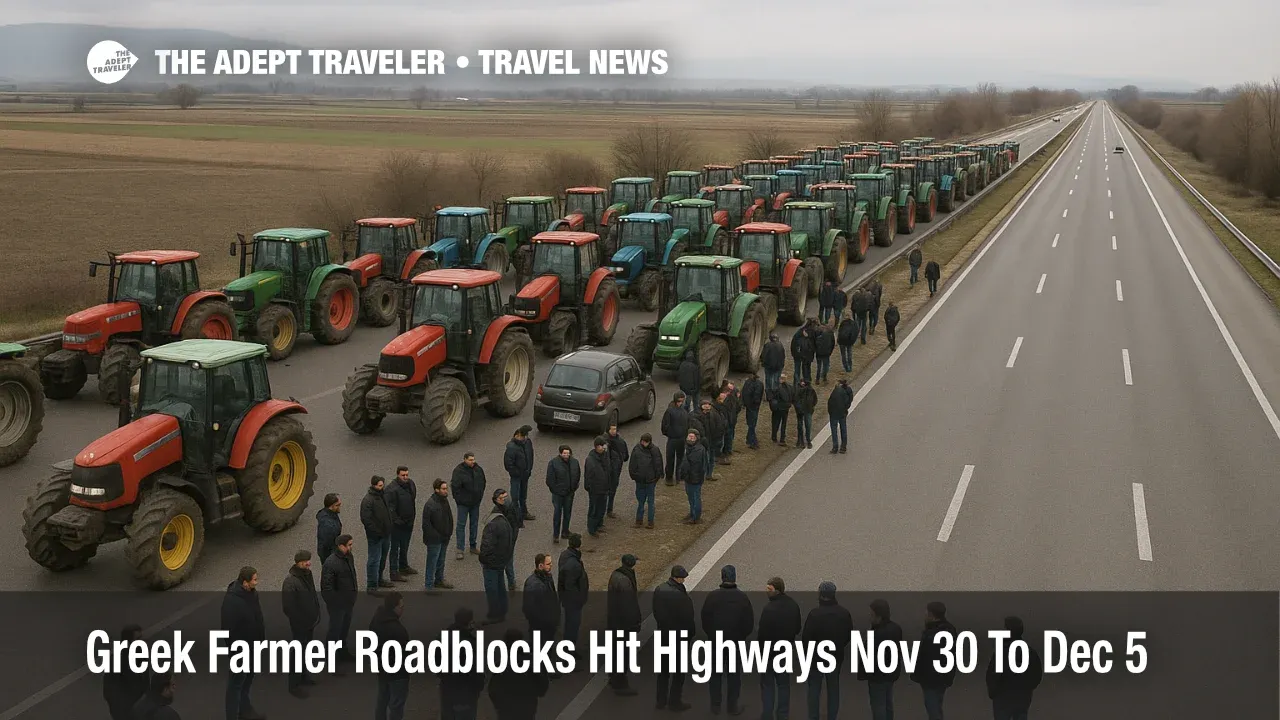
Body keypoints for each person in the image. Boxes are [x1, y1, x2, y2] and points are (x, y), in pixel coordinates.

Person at [701, 565, 754, 716]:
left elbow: (705, 619)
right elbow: (748, 622)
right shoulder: (742, 597)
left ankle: (715, 705)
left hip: (716, 641)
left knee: (716, 674)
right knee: (734, 675)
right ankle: (732, 706)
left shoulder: (712, 596)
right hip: (735, 643)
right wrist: (742, 636)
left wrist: (711, 635)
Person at [803, 581, 854, 720]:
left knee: (814, 690)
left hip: (815, 658)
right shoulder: (844, 613)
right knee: (833, 689)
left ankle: (813, 717)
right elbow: (848, 635)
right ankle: (832, 717)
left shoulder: (814, 614)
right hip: (835, 657)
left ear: (820, 594)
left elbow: (806, 638)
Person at [221, 567, 266, 720]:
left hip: (254, 648)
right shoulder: (232, 601)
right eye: (254, 579)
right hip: (240, 651)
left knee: (247, 681)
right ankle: (232, 716)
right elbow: (228, 630)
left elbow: (257, 618)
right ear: (245, 582)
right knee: (236, 684)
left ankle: (245, 710)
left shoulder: (252, 594)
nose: (257, 582)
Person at [652, 566, 695, 712]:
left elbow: (656, 611)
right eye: (682, 578)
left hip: (663, 636)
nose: (683, 580)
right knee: (678, 673)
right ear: (677, 578)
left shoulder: (659, 589)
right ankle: (674, 702)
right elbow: (688, 616)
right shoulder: (680, 595)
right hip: (678, 639)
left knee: (663, 672)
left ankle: (660, 701)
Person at [758, 577, 801, 720]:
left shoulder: (768, 609)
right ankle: (782, 715)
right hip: (784, 652)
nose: (766, 591)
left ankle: (767, 715)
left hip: (768, 654)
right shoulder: (793, 605)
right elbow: (797, 628)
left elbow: (762, 634)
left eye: (769, 589)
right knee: (783, 685)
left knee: (768, 685)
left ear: (777, 590)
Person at [986, 616, 1042, 720]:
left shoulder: (1001, 652)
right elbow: (1037, 674)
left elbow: (992, 674)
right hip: (1022, 698)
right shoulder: (1030, 652)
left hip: (1003, 698)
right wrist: (1027, 688)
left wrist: (993, 692)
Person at [281, 550, 321, 698]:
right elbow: (288, 607)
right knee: (297, 653)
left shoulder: (306, 574)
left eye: (309, 560)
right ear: (298, 563)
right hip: (299, 624)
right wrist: (299, 621)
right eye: (305, 561)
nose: (308, 563)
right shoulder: (290, 581)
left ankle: (304, 676)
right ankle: (293, 685)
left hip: (309, 621)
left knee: (306, 650)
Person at [487, 628, 549, 719]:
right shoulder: (533, 661)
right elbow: (543, 686)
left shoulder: (501, 664)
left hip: (506, 710)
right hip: (528, 707)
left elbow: (493, 690)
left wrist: (499, 706)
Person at [911, 601, 957, 720]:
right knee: (937, 706)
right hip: (943, 677)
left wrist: (918, 675)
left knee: (932, 709)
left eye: (926, 612)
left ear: (931, 614)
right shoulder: (949, 629)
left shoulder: (932, 633)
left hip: (931, 679)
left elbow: (926, 657)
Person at [860, 599, 903, 720]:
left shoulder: (877, 634)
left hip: (877, 676)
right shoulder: (895, 628)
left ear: (878, 616)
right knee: (888, 703)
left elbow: (869, 655)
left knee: (878, 706)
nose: (870, 617)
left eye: (872, 614)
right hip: (891, 673)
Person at [440, 607, 486, 720]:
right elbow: (476, 671)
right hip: (465, 694)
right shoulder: (470, 644)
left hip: (447, 690)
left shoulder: (443, 637)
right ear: (470, 622)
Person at [371, 592, 410, 720]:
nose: (403, 609)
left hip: (382, 668)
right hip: (398, 673)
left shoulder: (376, 620)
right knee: (396, 705)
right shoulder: (398, 630)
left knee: (382, 700)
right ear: (394, 608)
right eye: (401, 606)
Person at [606, 554, 641, 696]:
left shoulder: (616, 574)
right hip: (623, 623)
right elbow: (629, 605)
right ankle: (621, 684)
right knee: (623, 653)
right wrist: (635, 623)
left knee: (615, 651)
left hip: (614, 619)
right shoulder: (625, 581)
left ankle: (613, 677)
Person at [479, 489, 515, 625]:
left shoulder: (493, 524)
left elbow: (487, 546)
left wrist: (483, 559)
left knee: (492, 589)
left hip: (492, 562)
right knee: (500, 586)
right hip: (502, 559)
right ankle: (502, 610)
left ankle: (494, 614)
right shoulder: (506, 520)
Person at [321, 534, 358, 662]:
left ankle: (342, 652)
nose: (351, 547)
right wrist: (336, 603)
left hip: (348, 602)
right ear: (341, 546)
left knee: (344, 629)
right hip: (338, 605)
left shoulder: (348, 557)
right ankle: (331, 659)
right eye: (349, 545)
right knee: (335, 632)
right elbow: (326, 588)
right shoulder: (331, 563)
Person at [104, 624, 148, 720]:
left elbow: (145, 679)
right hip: (124, 711)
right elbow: (109, 690)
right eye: (138, 639)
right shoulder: (116, 660)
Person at [360, 475, 394, 594]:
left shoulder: (382, 495)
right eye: (380, 485)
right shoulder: (368, 500)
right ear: (374, 485)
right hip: (375, 537)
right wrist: (377, 532)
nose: (382, 487)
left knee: (382, 558)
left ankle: (379, 579)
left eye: (382, 485)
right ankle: (371, 585)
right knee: (374, 560)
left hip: (386, 534)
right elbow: (366, 520)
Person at [451, 452, 487, 560]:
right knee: (461, 526)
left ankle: (473, 546)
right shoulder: (458, 471)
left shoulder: (478, 469)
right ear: (465, 459)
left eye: (473, 459)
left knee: (474, 524)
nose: (473, 462)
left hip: (475, 502)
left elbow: (483, 482)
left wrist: (479, 496)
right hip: (463, 504)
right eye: (470, 460)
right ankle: (460, 549)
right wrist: (459, 500)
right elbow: (455, 487)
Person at [385, 466, 418, 581]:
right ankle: (394, 572)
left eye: (407, 475)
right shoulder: (391, 489)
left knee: (405, 546)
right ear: (397, 475)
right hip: (397, 526)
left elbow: (412, 498)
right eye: (403, 475)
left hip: (408, 522)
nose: (405, 477)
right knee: (395, 549)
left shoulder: (411, 484)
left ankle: (403, 566)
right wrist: (397, 520)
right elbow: (389, 508)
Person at [421, 479, 455, 591]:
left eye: (446, 488)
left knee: (441, 560)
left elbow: (449, 517)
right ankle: (429, 585)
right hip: (434, 540)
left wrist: (449, 532)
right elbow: (426, 525)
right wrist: (436, 536)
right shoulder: (430, 504)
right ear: (437, 490)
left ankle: (439, 580)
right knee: (432, 562)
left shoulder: (444, 501)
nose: (446, 491)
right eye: (444, 489)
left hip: (444, 537)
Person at [558, 534, 588, 654]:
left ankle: (568, 647)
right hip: (573, 601)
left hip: (567, 598)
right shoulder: (573, 564)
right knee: (573, 625)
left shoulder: (565, 555)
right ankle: (568, 651)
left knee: (570, 624)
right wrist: (578, 600)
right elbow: (570, 586)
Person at [522, 552, 560, 642]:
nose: (551, 565)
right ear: (540, 566)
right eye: (548, 564)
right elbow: (530, 608)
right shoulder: (534, 585)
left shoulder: (547, 577)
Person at [546, 445, 580, 542]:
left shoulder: (574, 462)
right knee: (557, 514)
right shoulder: (553, 463)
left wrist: (574, 487)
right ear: (560, 453)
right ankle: (556, 535)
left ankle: (565, 531)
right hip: (558, 494)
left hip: (569, 493)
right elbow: (550, 479)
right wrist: (555, 490)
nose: (566, 455)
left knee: (567, 513)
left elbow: (577, 475)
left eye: (568, 453)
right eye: (564, 453)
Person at [629, 433, 663, 528]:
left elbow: (658, 465)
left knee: (650, 501)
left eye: (645, 442)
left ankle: (650, 521)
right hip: (641, 480)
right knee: (641, 501)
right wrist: (634, 476)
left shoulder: (653, 450)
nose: (643, 443)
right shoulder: (638, 449)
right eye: (642, 441)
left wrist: (655, 478)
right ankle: (639, 520)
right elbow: (632, 464)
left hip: (649, 481)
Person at [504, 425, 536, 525]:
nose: (525, 438)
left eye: (526, 436)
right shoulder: (511, 447)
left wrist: (529, 469)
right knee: (515, 498)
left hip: (525, 475)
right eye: (523, 436)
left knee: (523, 496)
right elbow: (508, 464)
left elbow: (530, 456)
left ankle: (524, 513)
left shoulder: (527, 443)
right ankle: (517, 518)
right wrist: (516, 473)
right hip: (516, 476)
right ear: (517, 435)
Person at [678, 429, 707, 523]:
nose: (690, 439)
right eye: (689, 436)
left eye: (692, 437)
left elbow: (692, 464)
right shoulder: (688, 448)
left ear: (696, 438)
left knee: (695, 498)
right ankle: (692, 513)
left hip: (695, 478)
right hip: (689, 478)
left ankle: (696, 517)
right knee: (690, 497)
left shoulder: (698, 450)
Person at [584, 436, 611, 538]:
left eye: (604, 446)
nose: (603, 448)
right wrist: (589, 488)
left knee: (602, 508)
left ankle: (599, 524)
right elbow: (588, 476)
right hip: (595, 490)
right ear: (596, 446)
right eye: (601, 446)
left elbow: (608, 470)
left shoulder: (605, 456)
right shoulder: (590, 459)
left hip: (604, 488)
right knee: (593, 510)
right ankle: (592, 529)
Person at [661, 393, 689, 486]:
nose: (680, 403)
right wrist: (670, 433)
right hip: (673, 439)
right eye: (679, 401)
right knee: (670, 459)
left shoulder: (684, 411)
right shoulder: (669, 411)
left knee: (680, 459)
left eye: (682, 401)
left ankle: (679, 476)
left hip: (682, 438)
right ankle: (669, 477)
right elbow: (665, 425)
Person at [605, 424, 629, 520]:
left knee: (612, 491)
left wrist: (620, 459)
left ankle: (609, 509)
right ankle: (605, 510)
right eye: (612, 429)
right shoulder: (604, 442)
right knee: (605, 492)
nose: (614, 431)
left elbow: (626, 456)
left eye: (615, 429)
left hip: (616, 471)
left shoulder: (621, 442)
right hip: (607, 472)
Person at [699, 399, 726, 477]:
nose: (707, 407)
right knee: (706, 458)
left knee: (711, 458)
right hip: (705, 440)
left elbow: (719, 426)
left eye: (708, 406)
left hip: (712, 439)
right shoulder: (698, 416)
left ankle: (709, 474)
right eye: (705, 406)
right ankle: (705, 474)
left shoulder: (713, 415)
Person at [827, 379, 853, 455]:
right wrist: (845, 409)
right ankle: (843, 447)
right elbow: (849, 401)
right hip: (842, 413)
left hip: (834, 414)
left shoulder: (835, 392)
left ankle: (835, 447)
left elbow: (830, 402)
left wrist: (830, 412)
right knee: (843, 429)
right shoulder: (848, 391)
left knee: (834, 430)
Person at [315, 493, 342, 564]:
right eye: (337, 505)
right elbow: (327, 544)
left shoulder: (331, 514)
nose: (339, 507)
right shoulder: (327, 524)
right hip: (329, 555)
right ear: (331, 506)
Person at [742, 372, 764, 450]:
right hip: (753, 406)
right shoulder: (758, 384)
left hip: (749, 406)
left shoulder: (747, 382)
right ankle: (752, 441)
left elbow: (744, 393)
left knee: (750, 424)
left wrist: (745, 404)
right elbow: (757, 396)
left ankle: (750, 440)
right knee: (752, 424)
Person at [770, 374, 794, 446]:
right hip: (786, 408)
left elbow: (773, 397)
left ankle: (774, 437)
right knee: (784, 424)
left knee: (775, 423)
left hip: (778, 408)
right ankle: (782, 439)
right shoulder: (790, 387)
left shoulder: (777, 388)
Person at [794, 378, 817, 450]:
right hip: (800, 411)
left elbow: (815, 399)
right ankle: (800, 441)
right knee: (800, 426)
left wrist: (811, 406)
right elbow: (795, 400)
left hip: (808, 410)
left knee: (808, 425)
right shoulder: (798, 390)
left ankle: (808, 440)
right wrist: (799, 408)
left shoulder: (811, 390)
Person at [720, 381, 742, 458]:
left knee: (729, 435)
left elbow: (738, 407)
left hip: (730, 420)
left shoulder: (732, 398)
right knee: (728, 435)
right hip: (728, 419)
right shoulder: (724, 397)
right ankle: (726, 450)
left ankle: (727, 450)